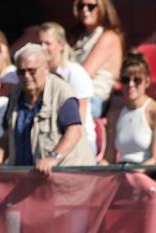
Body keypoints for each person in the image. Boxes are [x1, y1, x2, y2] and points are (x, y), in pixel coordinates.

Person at [0, 44, 94, 176]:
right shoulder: (15, 94)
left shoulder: (61, 91)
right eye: (21, 72)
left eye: (31, 70)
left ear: (45, 67)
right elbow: (7, 134)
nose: (26, 76)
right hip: (29, 180)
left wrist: (53, 158)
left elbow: (74, 131)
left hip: (68, 179)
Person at [40, 22, 96, 157]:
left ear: (61, 45)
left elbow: (79, 119)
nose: (42, 47)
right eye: (40, 43)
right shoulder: (40, 74)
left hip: (79, 143)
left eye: (48, 43)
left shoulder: (74, 73)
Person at [104, 55, 156, 165]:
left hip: (146, 175)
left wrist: (134, 174)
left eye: (137, 80)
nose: (130, 84)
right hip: (120, 173)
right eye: (125, 80)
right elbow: (108, 158)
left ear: (147, 82)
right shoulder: (114, 114)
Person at [70, 0, 123, 118]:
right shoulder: (79, 37)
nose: (84, 10)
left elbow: (83, 75)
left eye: (90, 6)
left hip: (94, 98)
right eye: (81, 6)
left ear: (103, 8)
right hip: (74, 95)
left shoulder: (109, 37)